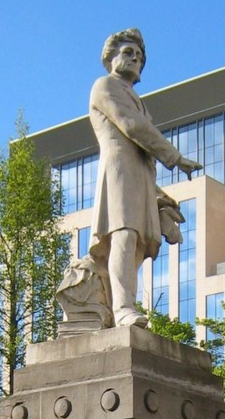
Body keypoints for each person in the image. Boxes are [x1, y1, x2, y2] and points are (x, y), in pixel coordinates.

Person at [87, 28, 203, 328]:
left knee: (137, 244)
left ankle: (119, 305)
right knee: (124, 235)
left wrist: (161, 199)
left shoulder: (137, 99)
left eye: (139, 56)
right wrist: (175, 157)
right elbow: (133, 126)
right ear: (110, 57)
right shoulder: (105, 86)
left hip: (140, 176)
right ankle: (123, 308)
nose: (136, 59)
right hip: (119, 173)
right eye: (128, 53)